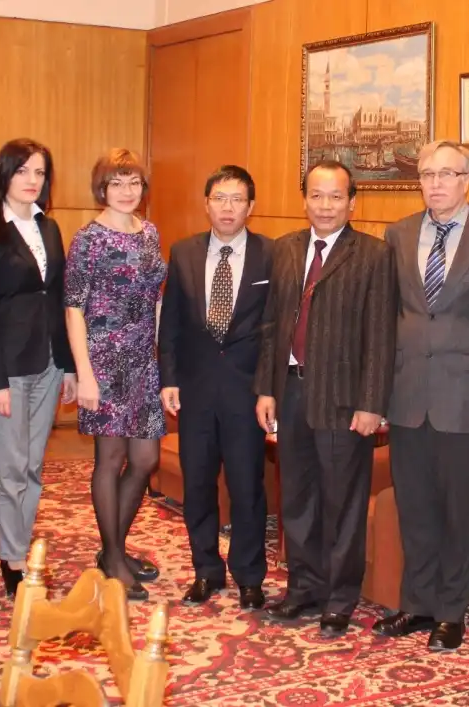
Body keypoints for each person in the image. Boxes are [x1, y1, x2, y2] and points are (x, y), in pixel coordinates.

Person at [371, 140, 469, 651]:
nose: (435, 183)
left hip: (465, 397)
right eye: (428, 174)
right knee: (415, 506)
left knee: (457, 510)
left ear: (466, 180)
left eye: (447, 174)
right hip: (408, 394)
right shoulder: (398, 233)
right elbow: (389, 316)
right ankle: (416, 604)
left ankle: (451, 611)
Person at [254, 160, 397, 638]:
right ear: (304, 200)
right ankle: (304, 589)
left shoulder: (373, 254)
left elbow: (381, 335)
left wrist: (372, 403)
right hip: (290, 390)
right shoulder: (286, 249)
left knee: (342, 502)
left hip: (344, 398)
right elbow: (272, 326)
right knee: (296, 498)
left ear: (352, 202)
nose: (325, 205)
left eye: (336, 196)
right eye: (316, 195)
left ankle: (339, 599)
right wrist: (266, 389)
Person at [158, 165, 272, 610]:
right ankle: (206, 569)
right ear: (206, 204)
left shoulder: (270, 254)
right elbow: (171, 322)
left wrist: (269, 388)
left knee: (247, 487)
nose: (228, 208)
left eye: (237, 199)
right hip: (196, 389)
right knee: (199, 485)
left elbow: (275, 328)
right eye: (220, 198)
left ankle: (250, 575)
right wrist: (168, 378)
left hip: (247, 392)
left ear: (251, 206)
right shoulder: (184, 251)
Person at [0, 138, 77, 598]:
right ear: (4, 175)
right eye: (22, 171)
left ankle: (21, 547)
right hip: (9, 368)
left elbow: (59, 298)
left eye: (40, 172)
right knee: (11, 467)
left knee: (32, 466)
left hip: (49, 362)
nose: (32, 180)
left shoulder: (48, 227)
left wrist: (68, 366)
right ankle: (12, 559)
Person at [64, 148, 166, 602]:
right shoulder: (89, 239)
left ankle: (112, 552)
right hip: (104, 362)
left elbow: (156, 298)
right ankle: (113, 558)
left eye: (134, 182)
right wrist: (84, 374)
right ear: (101, 188)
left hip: (144, 361)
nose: (127, 191)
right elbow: (74, 309)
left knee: (144, 459)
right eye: (117, 183)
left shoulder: (150, 232)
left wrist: (164, 357)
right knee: (110, 460)